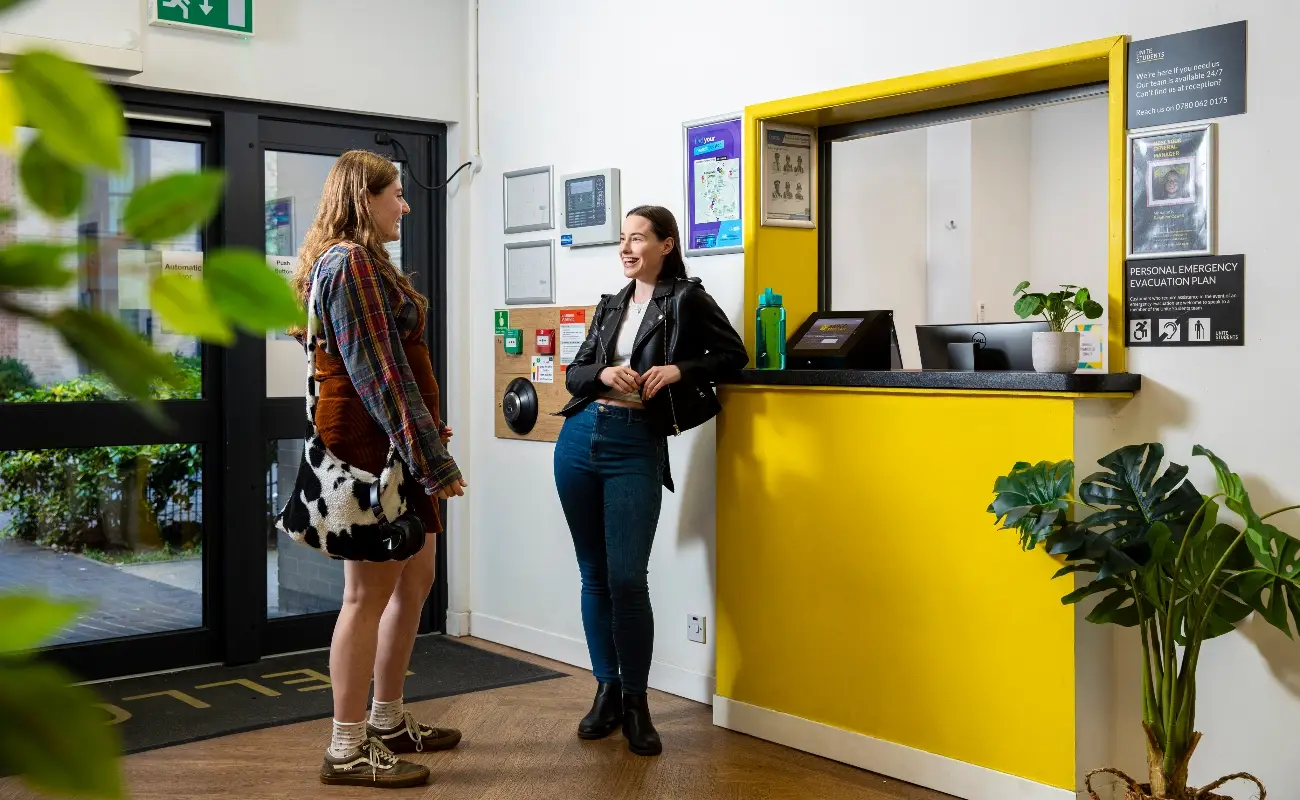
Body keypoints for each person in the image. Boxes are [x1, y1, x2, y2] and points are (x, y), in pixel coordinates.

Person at [289, 150, 468, 788]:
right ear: (365, 199)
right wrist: (428, 457)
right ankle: (346, 746)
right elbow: (379, 374)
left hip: (390, 445)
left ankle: (386, 719)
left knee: (416, 576)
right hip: (374, 450)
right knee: (366, 597)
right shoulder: (352, 263)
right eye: (397, 194)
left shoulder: (352, 262)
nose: (406, 204)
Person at [554, 205, 747, 756]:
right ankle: (606, 691)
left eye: (638, 238)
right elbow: (575, 373)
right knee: (593, 574)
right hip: (579, 439)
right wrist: (604, 373)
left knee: (626, 579)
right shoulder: (610, 305)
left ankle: (637, 703)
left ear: (666, 244)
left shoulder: (685, 298)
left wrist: (680, 369)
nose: (626, 248)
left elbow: (733, 355)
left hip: (634, 443)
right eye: (622, 239)